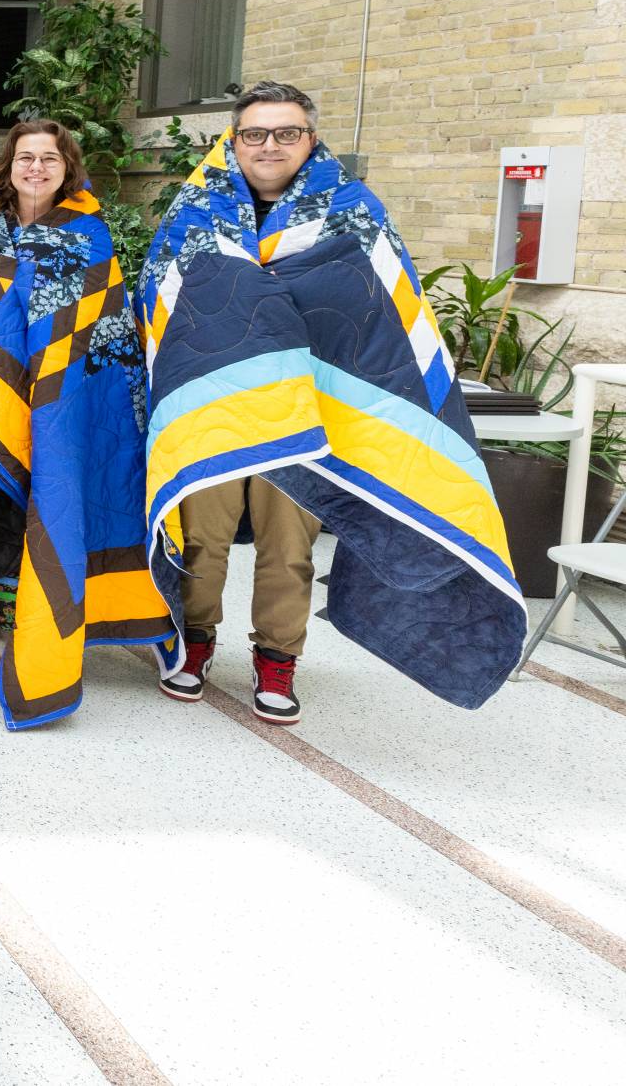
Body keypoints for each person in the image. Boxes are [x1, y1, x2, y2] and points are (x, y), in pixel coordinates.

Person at [142, 82, 522, 722]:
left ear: (310, 141)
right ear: (233, 143)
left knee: (288, 545)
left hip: (312, 417)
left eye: (285, 133)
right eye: (255, 134)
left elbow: (381, 315)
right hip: (215, 411)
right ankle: (195, 642)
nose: (269, 146)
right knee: (201, 536)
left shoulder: (355, 213)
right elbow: (168, 301)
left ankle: (277, 661)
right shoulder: (195, 213)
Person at [0, 120, 174, 729]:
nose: (35, 168)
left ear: (67, 168)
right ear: (7, 166)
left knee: (55, 496)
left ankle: (39, 624)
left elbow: (107, 330)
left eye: (48, 159)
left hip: (64, 398)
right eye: (24, 157)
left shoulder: (88, 235)